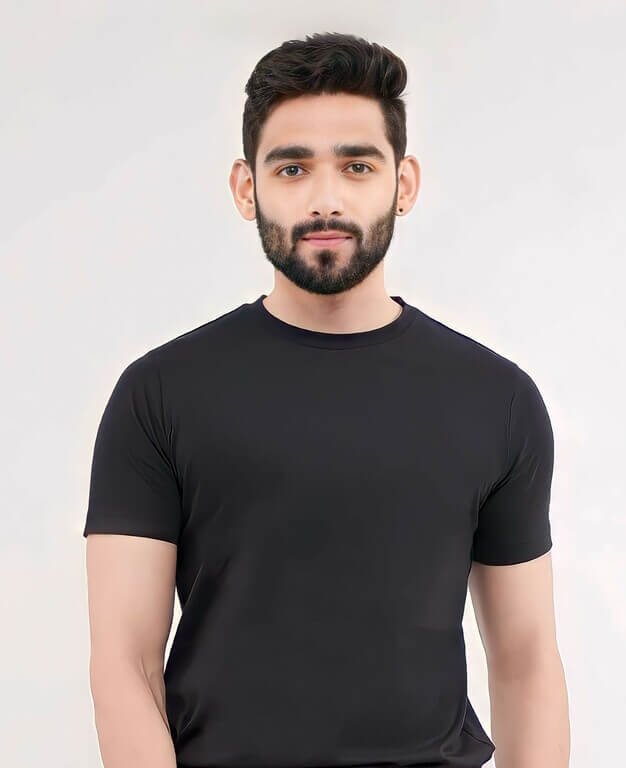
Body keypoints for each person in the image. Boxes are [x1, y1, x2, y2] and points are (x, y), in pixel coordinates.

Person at [83, 31, 570, 768]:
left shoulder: (497, 399)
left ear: (403, 183)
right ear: (246, 188)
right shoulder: (159, 395)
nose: (325, 199)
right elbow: (125, 663)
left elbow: (526, 658)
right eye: (292, 168)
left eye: (357, 165)